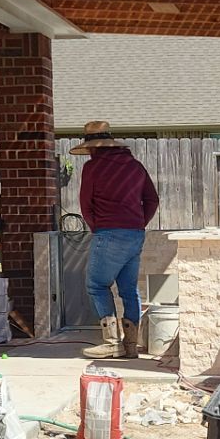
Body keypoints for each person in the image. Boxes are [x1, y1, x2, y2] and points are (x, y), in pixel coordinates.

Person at [73, 120, 159, 359]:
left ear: (93, 147)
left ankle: (111, 342)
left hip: (108, 232)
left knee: (97, 285)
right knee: (129, 289)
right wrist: (139, 223)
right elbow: (152, 200)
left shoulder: (93, 168)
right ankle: (130, 346)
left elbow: (85, 204)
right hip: (135, 234)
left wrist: (97, 227)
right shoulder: (135, 166)